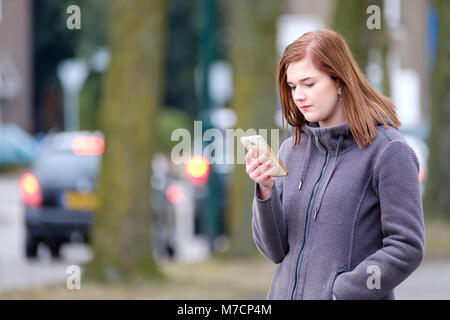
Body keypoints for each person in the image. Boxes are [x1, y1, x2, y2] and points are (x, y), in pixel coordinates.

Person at [245, 29, 424, 300]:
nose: (298, 96)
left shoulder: (388, 151)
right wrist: (265, 191)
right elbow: (276, 251)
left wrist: (344, 292)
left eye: (309, 84)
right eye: (292, 86)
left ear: (339, 81)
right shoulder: (292, 148)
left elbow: (407, 246)